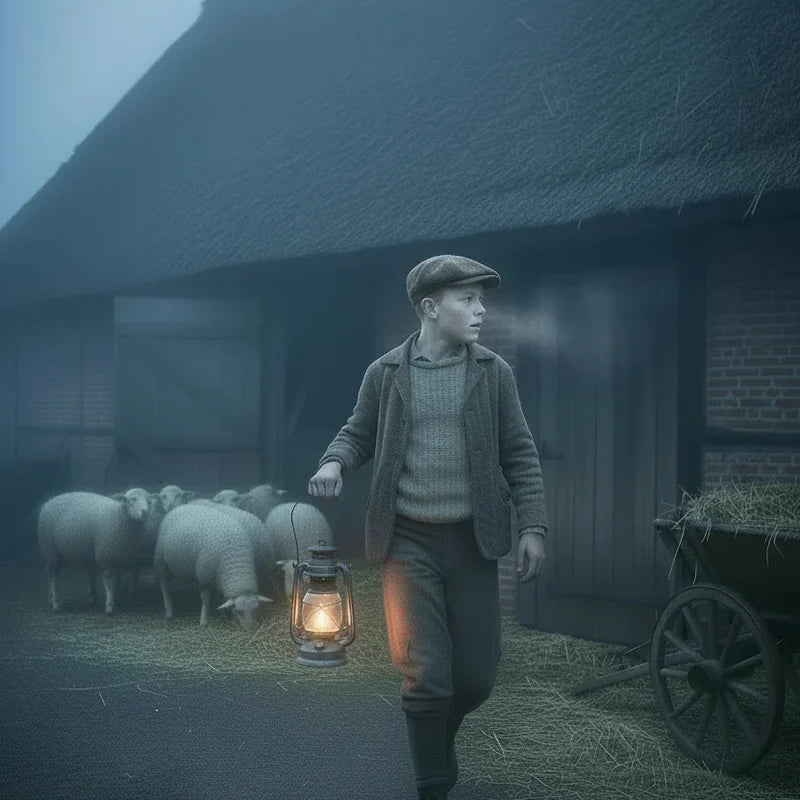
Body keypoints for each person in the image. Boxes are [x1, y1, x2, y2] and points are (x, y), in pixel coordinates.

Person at [308, 254, 548, 800]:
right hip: (407, 541)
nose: (481, 310)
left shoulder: (493, 373)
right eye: (468, 299)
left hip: (473, 542)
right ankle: (432, 784)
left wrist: (533, 525)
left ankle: (438, 740)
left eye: (481, 300)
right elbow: (357, 432)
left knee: (475, 680)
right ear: (430, 307)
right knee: (425, 676)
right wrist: (334, 462)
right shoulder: (385, 373)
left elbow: (520, 453)